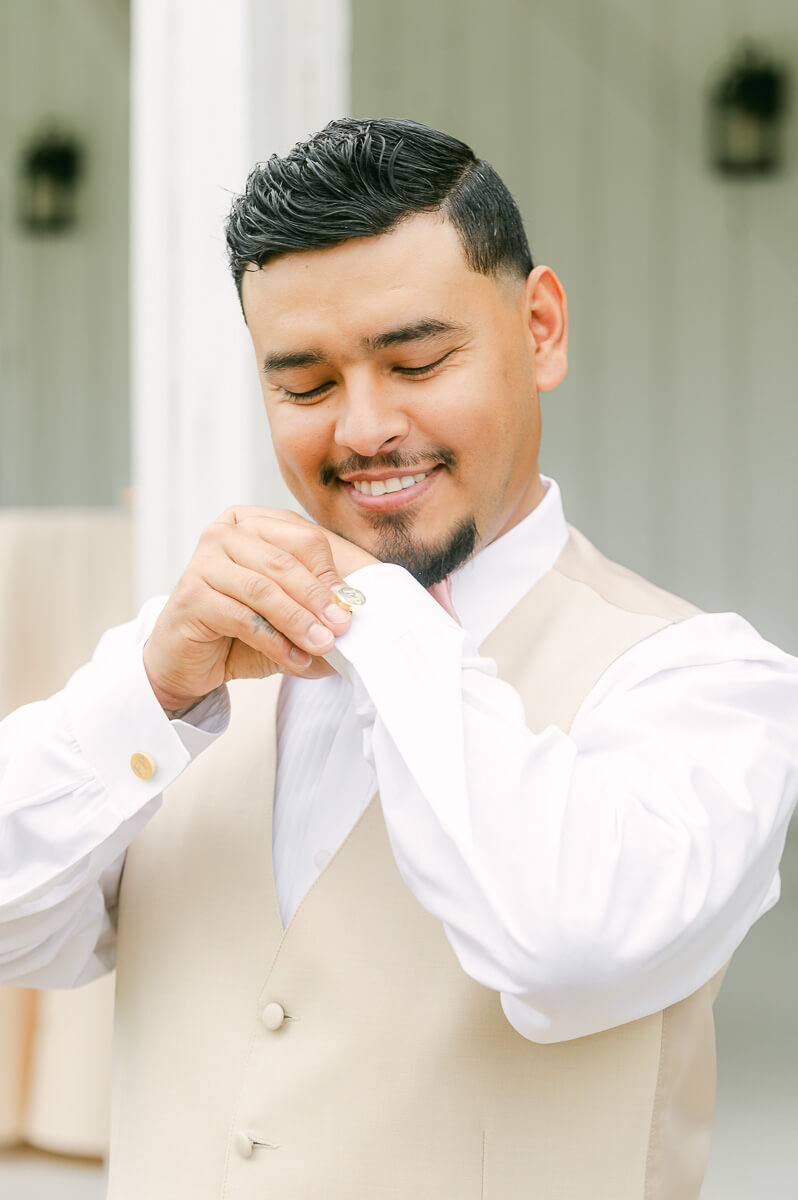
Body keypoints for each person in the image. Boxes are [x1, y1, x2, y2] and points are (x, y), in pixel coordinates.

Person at [1, 117, 797, 1199]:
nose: (365, 428)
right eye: (306, 388)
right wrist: (150, 690)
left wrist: (374, 600)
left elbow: (561, 945)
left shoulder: (707, 686)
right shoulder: (185, 673)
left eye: (417, 360)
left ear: (543, 329)